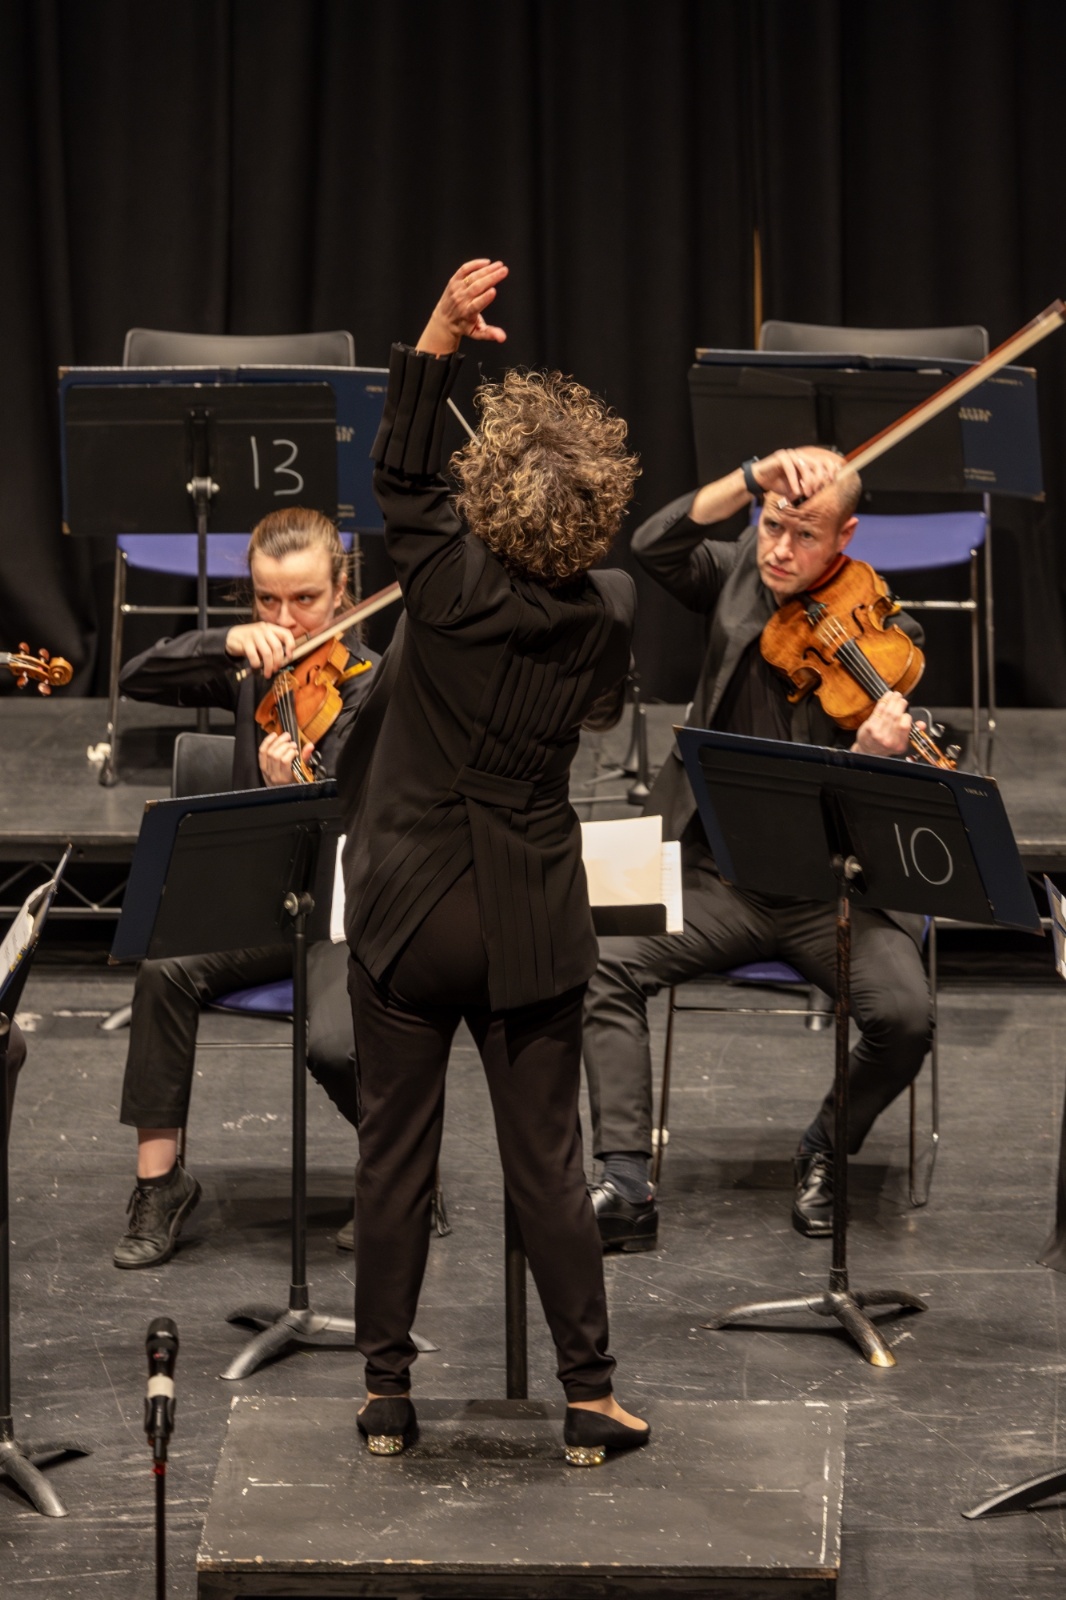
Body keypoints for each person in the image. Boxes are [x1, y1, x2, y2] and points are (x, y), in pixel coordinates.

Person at [338, 258, 648, 1466]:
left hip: (410, 913)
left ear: (489, 494)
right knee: (549, 1164)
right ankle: (589, 1398)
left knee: (393, 1159)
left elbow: (401, 473)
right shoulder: (607, 610)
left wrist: (437, 336)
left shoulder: (445, 587)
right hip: (527, 921)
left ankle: (386, 1394)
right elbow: (599, 713)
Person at [582, 448, 934, 1248]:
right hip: (718, 878)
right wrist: (753, 476)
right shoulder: (740, 570)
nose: (781, 549)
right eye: (773, 526)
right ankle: (625, 1183)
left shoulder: (891, 639)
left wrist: (872, 756)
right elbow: (656, 541)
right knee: (600, 962)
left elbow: (891, 810)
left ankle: (826, 1147)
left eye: (805, 535)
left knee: (906, 1015)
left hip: (828, 893)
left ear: (845, 537)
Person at [112, 507, 380, 1269]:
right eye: (267, 600)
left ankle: (400, 1173)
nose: (286, 620)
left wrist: (298, 785)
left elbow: (371, 811)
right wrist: (224, 641)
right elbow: (138, 675)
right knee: (163, 970)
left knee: (334, 1046)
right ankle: (161, 1186)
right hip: (260, 909)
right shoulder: (251, 668)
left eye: (305, 600)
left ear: (341, 590)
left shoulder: (376, 685)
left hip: (344, 916)